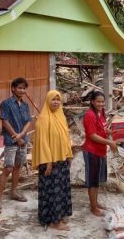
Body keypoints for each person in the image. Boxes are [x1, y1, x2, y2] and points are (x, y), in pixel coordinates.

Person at [32, 90, 74, 231]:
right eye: (53, 99)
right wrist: (48, 162)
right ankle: (53, 221)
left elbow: (65, 137)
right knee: (52, 192)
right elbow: (42, 142)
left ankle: (59, 215)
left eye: (58, 100)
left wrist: (69, 154)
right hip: (50, 162)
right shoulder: (44, 119)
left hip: (61, 160)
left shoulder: (60, 116)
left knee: (61, 190)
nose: (56, 102)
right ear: (48, 101)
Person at [0, 77, 34, 214]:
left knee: (18, 166)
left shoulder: (25, 105)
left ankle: (13, 192)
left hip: (23, 140)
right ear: (13, 89)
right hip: (11, 141)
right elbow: (5, 122)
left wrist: (21, 135)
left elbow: (28, 121)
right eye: (19, 88)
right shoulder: (6, 103)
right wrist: (16, 136)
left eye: (24, 88)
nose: (22, 90)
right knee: (8, 168)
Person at [82, 91, 118, 216]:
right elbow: (92, 135)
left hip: (100, 151)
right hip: (92, 151)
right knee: (92, 181)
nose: (100, 104)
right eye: (98, 101)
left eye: (102, 102)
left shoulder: (101, 113)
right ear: (92, 102)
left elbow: (101, 128)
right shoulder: (89, 115)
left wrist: (109, 131)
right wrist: (109, 142)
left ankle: (95, 203)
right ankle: (93, 208)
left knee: (97, 180)